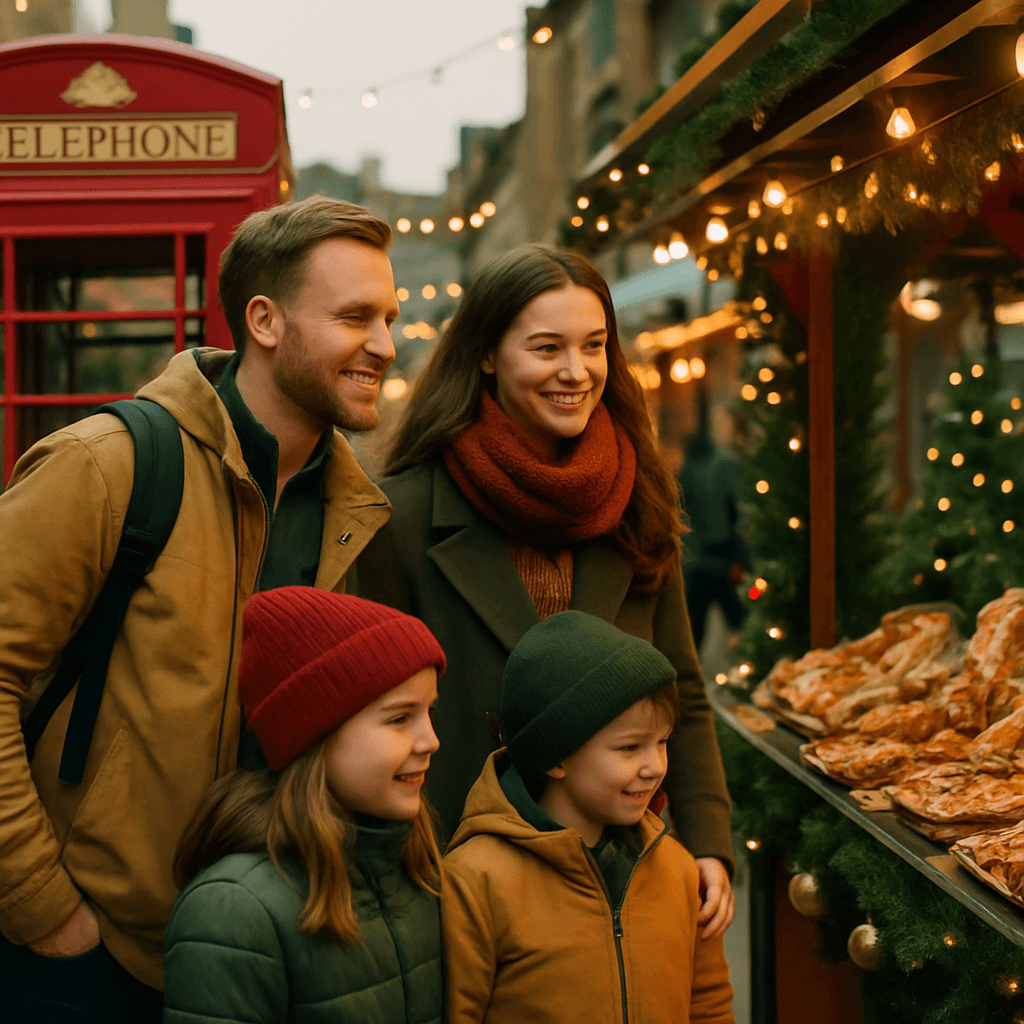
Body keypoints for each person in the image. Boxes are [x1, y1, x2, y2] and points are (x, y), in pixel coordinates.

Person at [0, 196, 398, 1021]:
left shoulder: (353, 511)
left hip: (269, 945)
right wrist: (44, 908)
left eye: (389, 319)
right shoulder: (106, 466)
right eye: (355, 317)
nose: (386, 345)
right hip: (97, 956)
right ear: (265, 320)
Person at [351, 242, 735, 937]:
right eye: (547, 347)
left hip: (618, 877)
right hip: (458, 882)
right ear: (487, 354)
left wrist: (707, 839)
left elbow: (681, 683)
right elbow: (371, 720)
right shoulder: (401, 515)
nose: (575, 372)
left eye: (593, 346)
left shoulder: (638, 499)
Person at [163, 587, 446, 1024]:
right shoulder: (233, 912)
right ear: (315, 732)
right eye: (399, 718)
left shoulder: (417, 876)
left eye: (429, 712)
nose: (431, 741)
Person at [442, 611, 735, 1024]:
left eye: (662, 742)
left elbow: (708, 1005)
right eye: (630, 748)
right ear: (555, 755)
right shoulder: (477, 881)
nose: (655, 767)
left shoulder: (677, 869)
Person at [677, 429, 748, 652]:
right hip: (711, 555)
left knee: (701, 625)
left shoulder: (694, 469)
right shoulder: (715, 464)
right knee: (731, 620)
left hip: (714, 554)